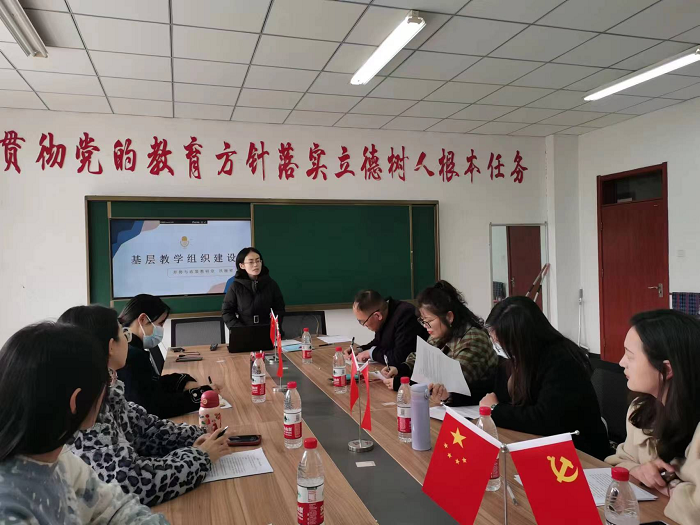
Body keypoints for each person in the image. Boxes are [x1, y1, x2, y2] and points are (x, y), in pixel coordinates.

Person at [59, 305, 231, 507]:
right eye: (123, 334)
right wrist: (201, 457)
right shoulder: (85, 408)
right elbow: (135, 483)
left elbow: (146, 430)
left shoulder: (107, 390)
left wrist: (198, 436)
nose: (128, 340)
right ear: (111, 346)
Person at [0, 322, 168, 524]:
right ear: (77, 401)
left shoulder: (59, 458)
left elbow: (116, 509)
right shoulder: (9, 510)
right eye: (106, 378)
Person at [479, 296, 610, 460]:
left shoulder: (562, 360)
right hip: (539, 445)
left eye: (500, 341)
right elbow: (495, 388)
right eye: (494, 339)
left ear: (521, 338)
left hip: (580, 455)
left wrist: (495, 409)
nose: (496, 345)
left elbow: (545, 419)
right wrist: (456, 394)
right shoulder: (520, 356)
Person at [606, 310, 700, 525]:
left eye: (630, 356)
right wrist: (638, 470)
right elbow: (620, 460)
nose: (621, 362)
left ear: (666, 369)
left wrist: (669, 484)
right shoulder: (641, 410)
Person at [380, 281, 498, 406]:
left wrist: (406, 384)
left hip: (474, 410)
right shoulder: (442, 331)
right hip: (446, 405)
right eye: (423, 321)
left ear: (449, 317)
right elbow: (421, 358)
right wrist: (401, 369)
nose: (425, 326)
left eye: (429, 320)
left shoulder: (474, 339)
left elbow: (452, 383)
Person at [118, 294, 216, 418]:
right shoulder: (133, 355)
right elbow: (153, 408)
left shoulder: (128, 346)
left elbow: (151, 385)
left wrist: (181, 381)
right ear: (142, 319)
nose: (161, 329)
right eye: (160, 323)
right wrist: (202, 394)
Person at [345, 289, 428, 367]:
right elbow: (379, 342)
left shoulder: (406, 315)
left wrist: (371, 353)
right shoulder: (386, 312)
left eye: (363, 321)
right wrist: (360, 350)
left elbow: (400, 358)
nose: (363, 325)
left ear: (378, 316)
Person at [222, 247, 286, 333]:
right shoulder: (235, 286)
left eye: (258, 261)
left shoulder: (271, 284)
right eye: (251, 262)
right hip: (244, 333)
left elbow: (279, 308)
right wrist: (240, 330)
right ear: (242, 265)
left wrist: (273, 326)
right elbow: (227, 312)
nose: (255, 264)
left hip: (268, 331)